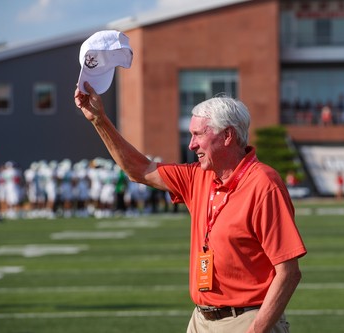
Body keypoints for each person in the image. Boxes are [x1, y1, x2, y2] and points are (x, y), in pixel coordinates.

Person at [74, 82, 307, 333]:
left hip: (246, 320)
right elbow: (139, 169)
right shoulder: (200, 176)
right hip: (200, 319)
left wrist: (255, 330)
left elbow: (288, 272)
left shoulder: (263, 183)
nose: (191, 145)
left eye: (198, 134)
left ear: (227, 136)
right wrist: (99, 119)